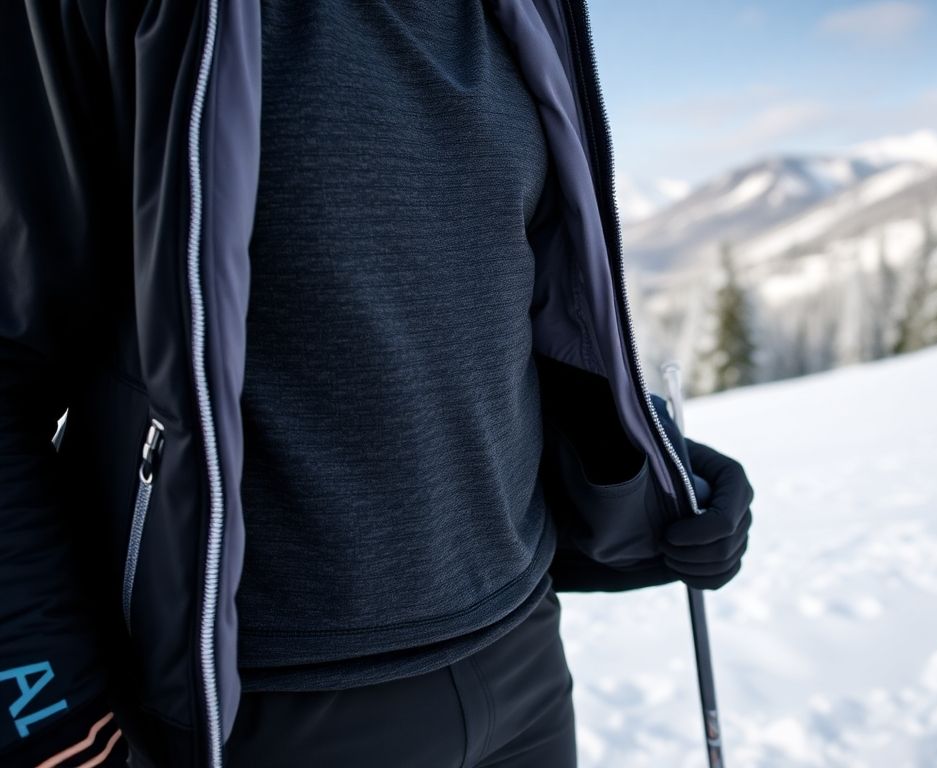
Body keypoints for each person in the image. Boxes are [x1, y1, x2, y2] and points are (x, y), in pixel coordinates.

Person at [0, 1, 754, 766]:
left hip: (523, 662)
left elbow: (496, 321)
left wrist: (654, 469)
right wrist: (46, 706)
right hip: (263, 705)